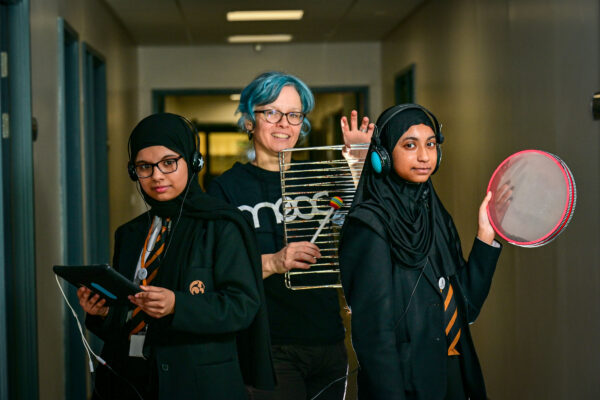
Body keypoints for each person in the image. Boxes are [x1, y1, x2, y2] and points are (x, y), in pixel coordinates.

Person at [77, 113, 275, 399]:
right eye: (144, 167)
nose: (157, 175)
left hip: (197, 383)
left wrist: (176, 305)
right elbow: (127, 309)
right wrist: (104, 314)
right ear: (134, 172)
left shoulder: (222, 225)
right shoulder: (130, 234)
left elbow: (242, 306)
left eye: (169, 163)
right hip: (129, 381)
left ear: (193, 163)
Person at [207, 71, 373, 400]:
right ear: (250, 121)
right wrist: (273, 261)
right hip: (268, 346)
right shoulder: (225, 189)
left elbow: (363, 238)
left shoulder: (321, 179)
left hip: (328, 341)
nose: (284, 123)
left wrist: (358, 166)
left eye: (294, 114)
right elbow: (215, 269)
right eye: (271, 112)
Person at [339, 104, 502, 400]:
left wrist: (485, 237)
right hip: (402, 384)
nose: (425, 156)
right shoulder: (368, 225)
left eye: (431, 145)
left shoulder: (435, 215)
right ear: (383, 156)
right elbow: (374, 336)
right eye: (410, 145)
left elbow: (467, 308)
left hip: (450, 373)